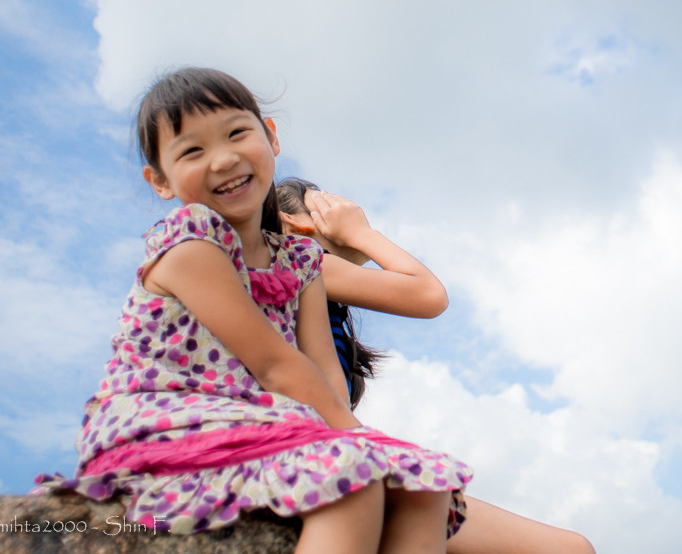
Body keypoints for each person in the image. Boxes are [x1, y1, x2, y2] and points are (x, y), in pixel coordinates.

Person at [36, 67, 470, 554]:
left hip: (259, 422)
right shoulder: (191, 245)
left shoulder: (300, 262)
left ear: (271, 137)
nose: (223, 159)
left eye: (237, 133)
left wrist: (362, 443)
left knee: (425, 490)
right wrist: (360, 441)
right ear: (159, 180)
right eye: (193, 150)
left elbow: (324, 372)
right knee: (357, 477)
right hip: (168, 421)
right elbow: (275, 365)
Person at [274, 178, 597, 554]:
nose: (345, 211)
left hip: (332, 454)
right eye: (326, 204)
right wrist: (362, 233)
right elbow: (428, 294)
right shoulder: (296, 258)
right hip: (315, 459)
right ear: (294, 222)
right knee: (569, 548)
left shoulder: (318, 298)